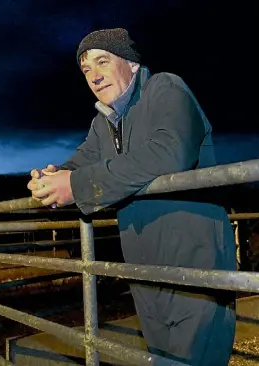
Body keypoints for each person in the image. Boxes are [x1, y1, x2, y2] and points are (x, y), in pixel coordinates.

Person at [27, 28, 237, 365]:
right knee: (162, 359)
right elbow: (80, 163)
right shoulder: (104, 122)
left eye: (103, 61)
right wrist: (50, 179)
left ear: (133, 64)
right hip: (142, 267)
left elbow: (170, 152)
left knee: (197, 358)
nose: (94, 76)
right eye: (86, 70)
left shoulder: (165, 88)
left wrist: (77, 185)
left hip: (194, 260)